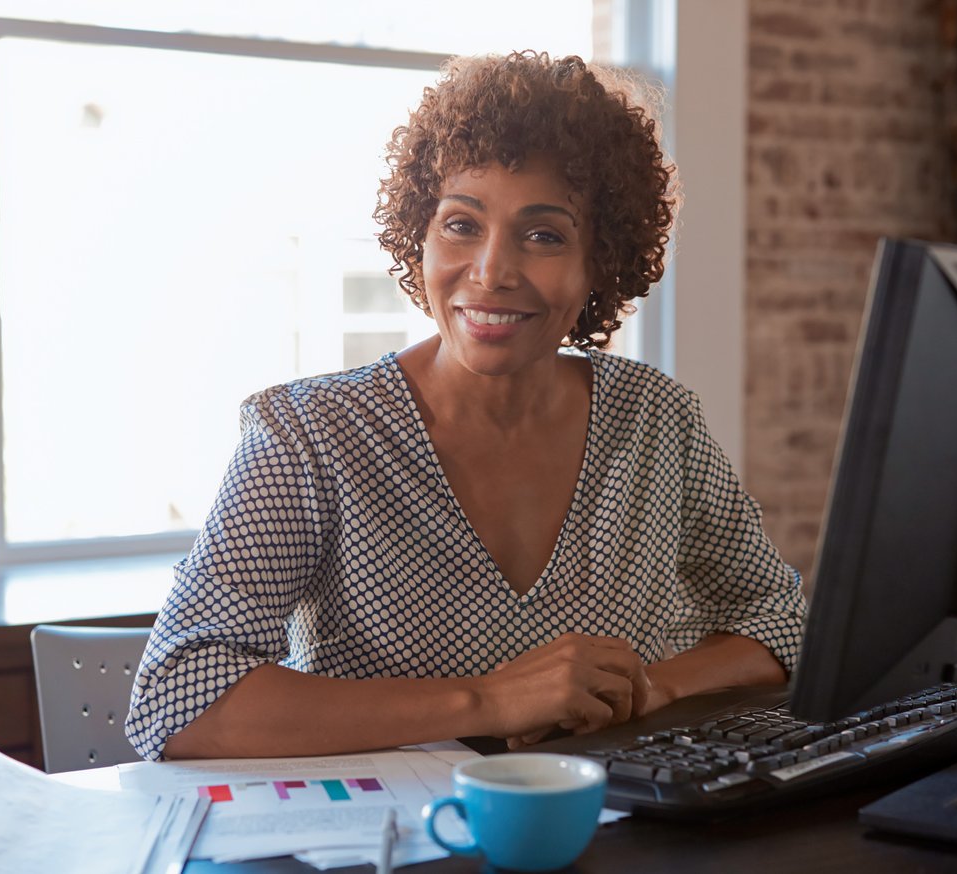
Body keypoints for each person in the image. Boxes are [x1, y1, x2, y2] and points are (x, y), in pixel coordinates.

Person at [126, 51, 806, 762]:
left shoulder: (657, 422)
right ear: (418, 235)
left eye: (543, 235)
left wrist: (651, 687)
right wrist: (491, 698)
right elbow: (176, 699)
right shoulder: (311, 437)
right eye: (461, 225)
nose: (491, 272)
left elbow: (782, 617)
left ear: (599, 260)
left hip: (608, 835)